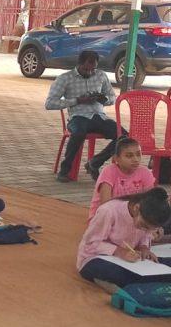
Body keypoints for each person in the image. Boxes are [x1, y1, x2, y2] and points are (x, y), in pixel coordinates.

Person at [45, 50, 124, 182]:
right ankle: (65, 170)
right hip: (78, 116)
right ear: (79, 64)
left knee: (123, 136)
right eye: (87, 69)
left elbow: (112, 97)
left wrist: (103, 99)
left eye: (93, 69)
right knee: (78, 133)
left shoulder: (101, 75)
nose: (90, 72)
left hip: (99, 116)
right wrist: (76, 101)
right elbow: (50, 103)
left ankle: (95, 162)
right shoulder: (65, 78)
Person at [77, 188, 171, 290]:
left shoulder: (144, 218)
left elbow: (145, 235)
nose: (147, 231)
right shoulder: (109, 211)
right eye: (144, 226)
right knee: (117, 273)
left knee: (161, 264)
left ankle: (147, 281)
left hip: (132, 259)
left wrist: (144, 247)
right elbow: (91, 243)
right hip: (96, 258)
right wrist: (119, 251)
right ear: (136, 208)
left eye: (150, 229)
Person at [89, 137, 154, 219]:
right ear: (116, 158)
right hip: (107, 216)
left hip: (135, 217)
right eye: (129, 156)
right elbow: (105, 205)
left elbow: (150, 201)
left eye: (138, 154)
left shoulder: (145, 173)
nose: (135, 159)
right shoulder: (108, 172)